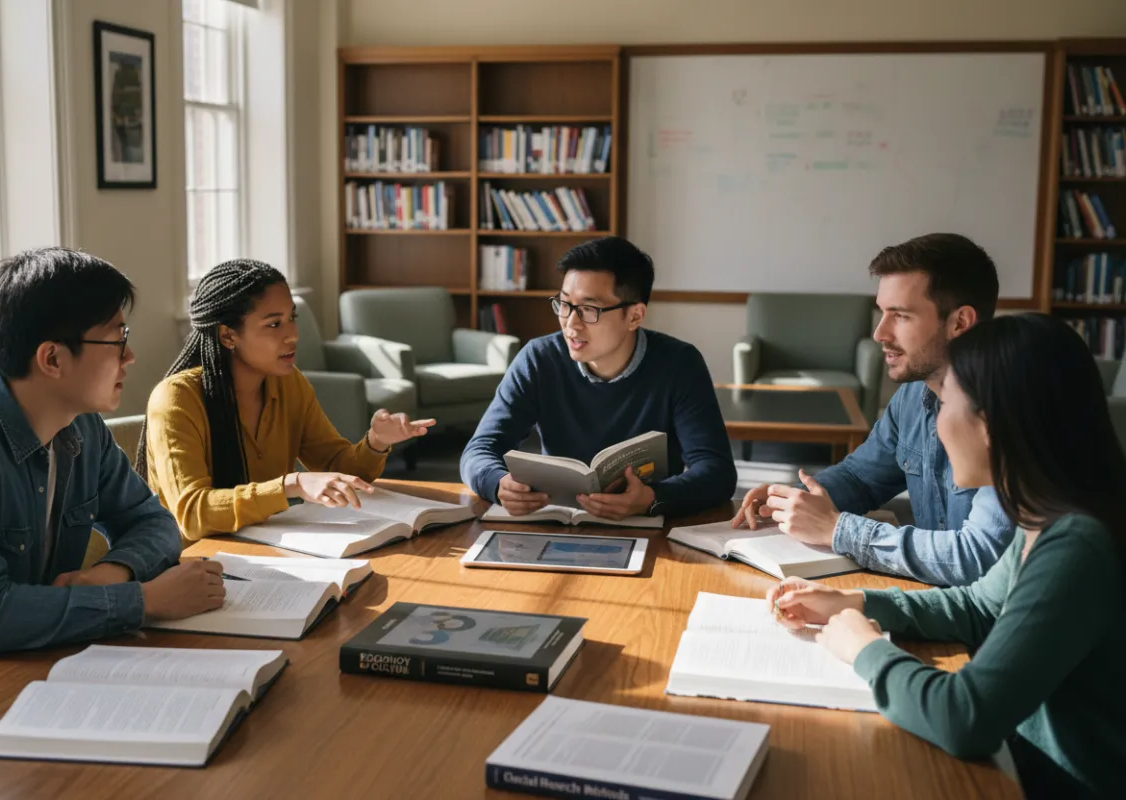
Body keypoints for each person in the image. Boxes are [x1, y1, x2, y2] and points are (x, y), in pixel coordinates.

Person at [766, 314, 1126, 799]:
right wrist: (853, 604)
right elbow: (978, 607)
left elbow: (963, 717)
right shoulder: (1043, 512)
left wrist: (864, 649)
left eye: (946, 404)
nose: (935, 423)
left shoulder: (1076, 545)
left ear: (992, 424)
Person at [0, 248, 224, 693]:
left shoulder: (80, 425)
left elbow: (153, 522)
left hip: (43, 666)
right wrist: (142, 601)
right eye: (117, 339)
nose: (131, 356)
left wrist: (111, 573)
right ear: (52, 359)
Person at [731, 233, 1012, 585]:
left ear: (960, 322)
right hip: (937, 601)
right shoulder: (912, 397)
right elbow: (861, 477)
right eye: (882, 313)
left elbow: (977, 560)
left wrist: (837, 529)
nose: (880, 333)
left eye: (901, 316)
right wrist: (798, 501)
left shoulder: (1012, 412)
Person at [139, 259, 433, 543]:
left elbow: (338, 469)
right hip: (193, 567)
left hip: (270, 549)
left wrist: (376, 442)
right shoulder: (176, 399)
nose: (292, 335)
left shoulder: (289, 384)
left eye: (292, 318)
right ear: (228, 335)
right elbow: (192, 514)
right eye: (274, 324)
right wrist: (292, 484)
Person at [461, 236, 736, 519]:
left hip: (649, 526)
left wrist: (654, 499)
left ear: (634, 316)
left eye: (589, 309)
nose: (571, 324)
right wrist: (498, 484)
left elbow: (717, 471)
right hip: (558, 521)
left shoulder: (679, 364)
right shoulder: (539, 359)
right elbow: (479, 450)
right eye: (564, 304)